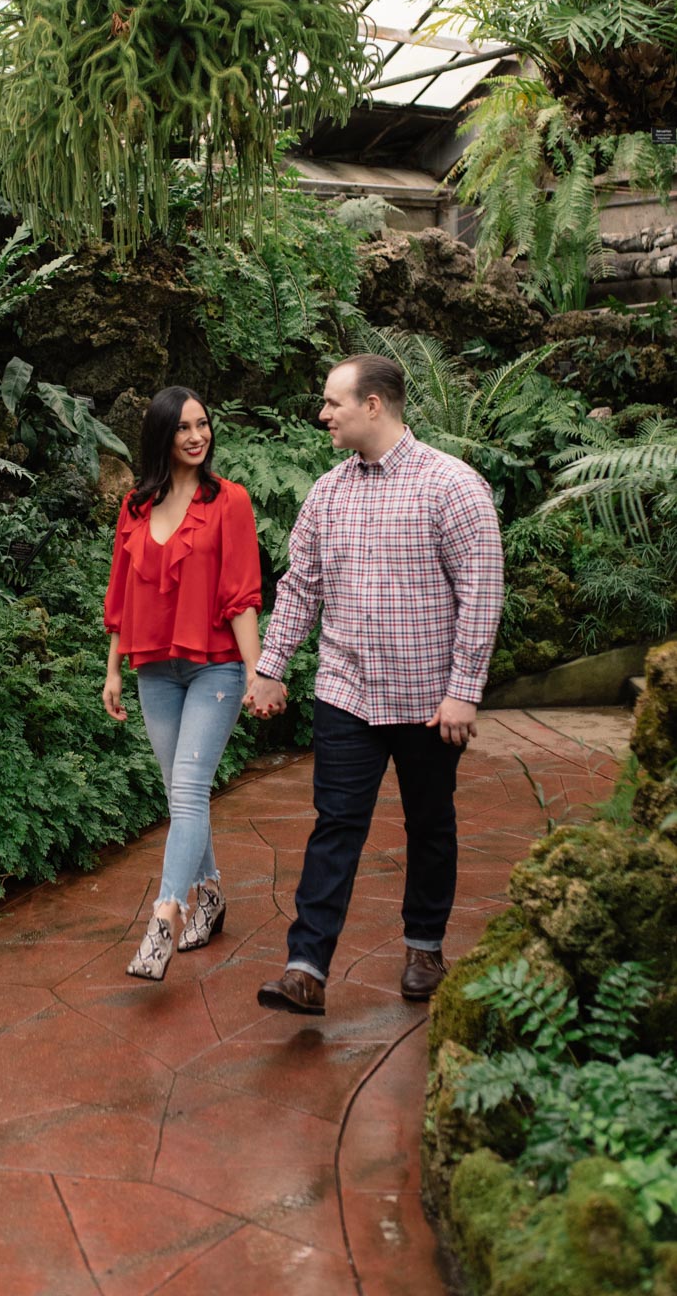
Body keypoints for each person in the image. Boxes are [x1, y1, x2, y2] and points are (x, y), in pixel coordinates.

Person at [246, 354, 504, 1015]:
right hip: (346, 693)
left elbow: (480, 592)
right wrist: (270, 666)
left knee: (429, 824)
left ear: (374, 405)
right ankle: (305, 966)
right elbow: (300, 587)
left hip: (427, 700)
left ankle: (423, 947)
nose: (322, 414)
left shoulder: (452, 486)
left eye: (333, 402)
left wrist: (463, 688)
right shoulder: (327, 493)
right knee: (334, 826)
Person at [103, 386, 264, 981]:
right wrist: (113, 667)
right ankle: (213, 896)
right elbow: (121, 592)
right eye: (184, 428)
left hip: (215, 665)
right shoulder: (136, 507)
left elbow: (243, 594)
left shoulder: (230, 502)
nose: (198, 436)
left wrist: (255, 670)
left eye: (204, 424)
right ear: (162, 436)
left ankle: (166, 914)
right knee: (180, 794)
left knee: (190, 790)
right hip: (154, 669)